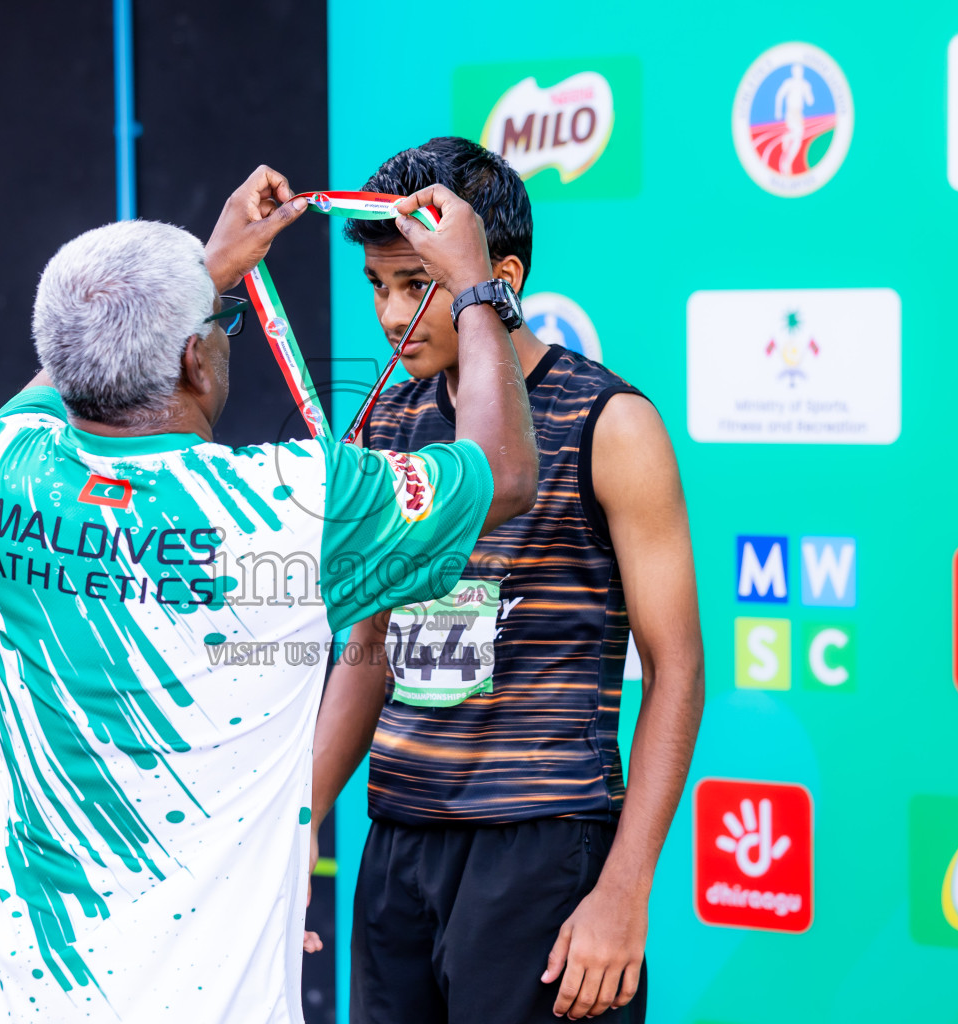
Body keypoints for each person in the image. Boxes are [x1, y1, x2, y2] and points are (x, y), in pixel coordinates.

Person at [0, 165, 538, 1023]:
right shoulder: (293, 503)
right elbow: (508, 473)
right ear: (196, 359)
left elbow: (59, 376)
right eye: (222, 325)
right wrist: (477, 283)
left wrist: (209, 275)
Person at [308, 138, 705, 1022]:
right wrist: (299, 825)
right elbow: (364, 647)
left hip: (543, 850)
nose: (389, 316)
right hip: (397, 849)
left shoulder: (614, 423)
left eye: (419, 285)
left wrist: (624, 891)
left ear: (500, 276)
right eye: (377, 288)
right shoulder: (383, 422)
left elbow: (677, 672)